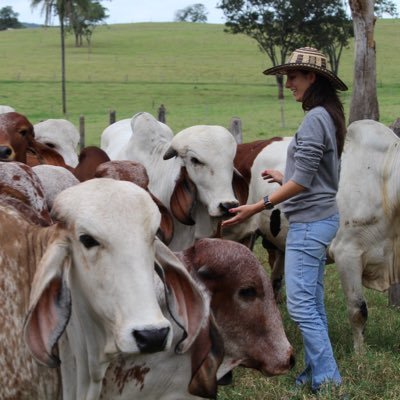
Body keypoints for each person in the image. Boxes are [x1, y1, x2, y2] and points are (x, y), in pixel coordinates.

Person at [222, 47, 348, 394]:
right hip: (321, 216)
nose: (288, 82)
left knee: (300, 305)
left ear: (313, 78)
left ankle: (328, 380)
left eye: (294, 75)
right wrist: (284, 174)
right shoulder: (328, 116)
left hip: (309, 223)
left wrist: (255, 207)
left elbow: (304, 181)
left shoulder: (315, 119)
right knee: (312, 302)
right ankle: (315, 371)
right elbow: (316, 172)